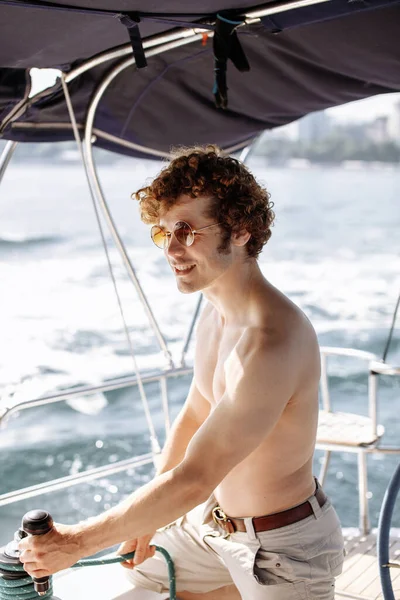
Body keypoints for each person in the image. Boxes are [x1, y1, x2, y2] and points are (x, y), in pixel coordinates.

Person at [19, 145, 344, 599]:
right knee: (140, 576)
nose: (171, 248)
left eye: (188, 231)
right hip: (212, 528)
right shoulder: (215, 312)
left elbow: (196, 475)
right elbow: (195, 414)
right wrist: (148, 519)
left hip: (279, 549)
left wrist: (76, 542)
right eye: (164, 232)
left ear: (243, 231)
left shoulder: (273, 340)